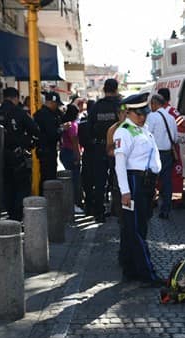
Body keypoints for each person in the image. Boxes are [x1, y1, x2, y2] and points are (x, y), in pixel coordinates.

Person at [113, 93, 162, 284]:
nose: (143, 118)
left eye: (145, 114)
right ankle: (146, 274)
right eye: (139, 114)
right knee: (136, 230)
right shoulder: (124, 131)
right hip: (133, 183)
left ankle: (129, 268)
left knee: (135, 228)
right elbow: (120, 164)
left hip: (145, 183)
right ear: (129, 113)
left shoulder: (143, 129)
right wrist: (125, 191)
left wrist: (153, 184)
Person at [0, 87, 40, 221]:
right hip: (17, 155)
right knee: (22, 186)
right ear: (15, 98)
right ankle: (18, 216)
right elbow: (35, 130)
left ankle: (10, 214)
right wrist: (26, 141)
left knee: (6, 186)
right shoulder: (18, 112)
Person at [87, 78, 121, 223]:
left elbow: (89, 127)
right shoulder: (121, 106)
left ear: (104, 90)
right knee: (119, 179)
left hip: (99, 147)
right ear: (116, 89)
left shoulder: (96, 106)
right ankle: (118, 210)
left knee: (99, 181)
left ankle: (99, 213)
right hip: (117, 147)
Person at [146, 93, 178, 219]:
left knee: (150, 181)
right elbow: (175, 138)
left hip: (154, 153)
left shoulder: (152, 116)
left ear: (154, 104)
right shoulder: (171, 118)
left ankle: (149, 207)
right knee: (167, 181)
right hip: (168, 153)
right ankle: (166, 209)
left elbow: (147, 135)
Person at [157, 88, 185, 210]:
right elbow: (184, 124)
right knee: (176, 174)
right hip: (171, 147)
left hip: (157, 148)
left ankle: (154, 199)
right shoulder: (172, 111)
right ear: (169, 98)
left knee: (157, 175)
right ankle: (176, 201)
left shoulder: (153, 113)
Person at [34, 91, 63, 187]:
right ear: (51, 102)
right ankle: (47, 199)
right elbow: (52, 134)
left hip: (43, 149)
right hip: (47, 150)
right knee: (48, 178)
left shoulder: (39, 114)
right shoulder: (47, 115)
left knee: (45, 177)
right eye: (56, 104)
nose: (57, 107)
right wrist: (62, 129)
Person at [59, 104, 83, 212]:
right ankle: (75, 204)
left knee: (71, 179)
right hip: (71, 153)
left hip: (64, 152)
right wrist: (78, 156)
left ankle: (73, 203)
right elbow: (75, 142)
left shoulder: (65, 124)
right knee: (75, 180)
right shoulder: (72, 125)